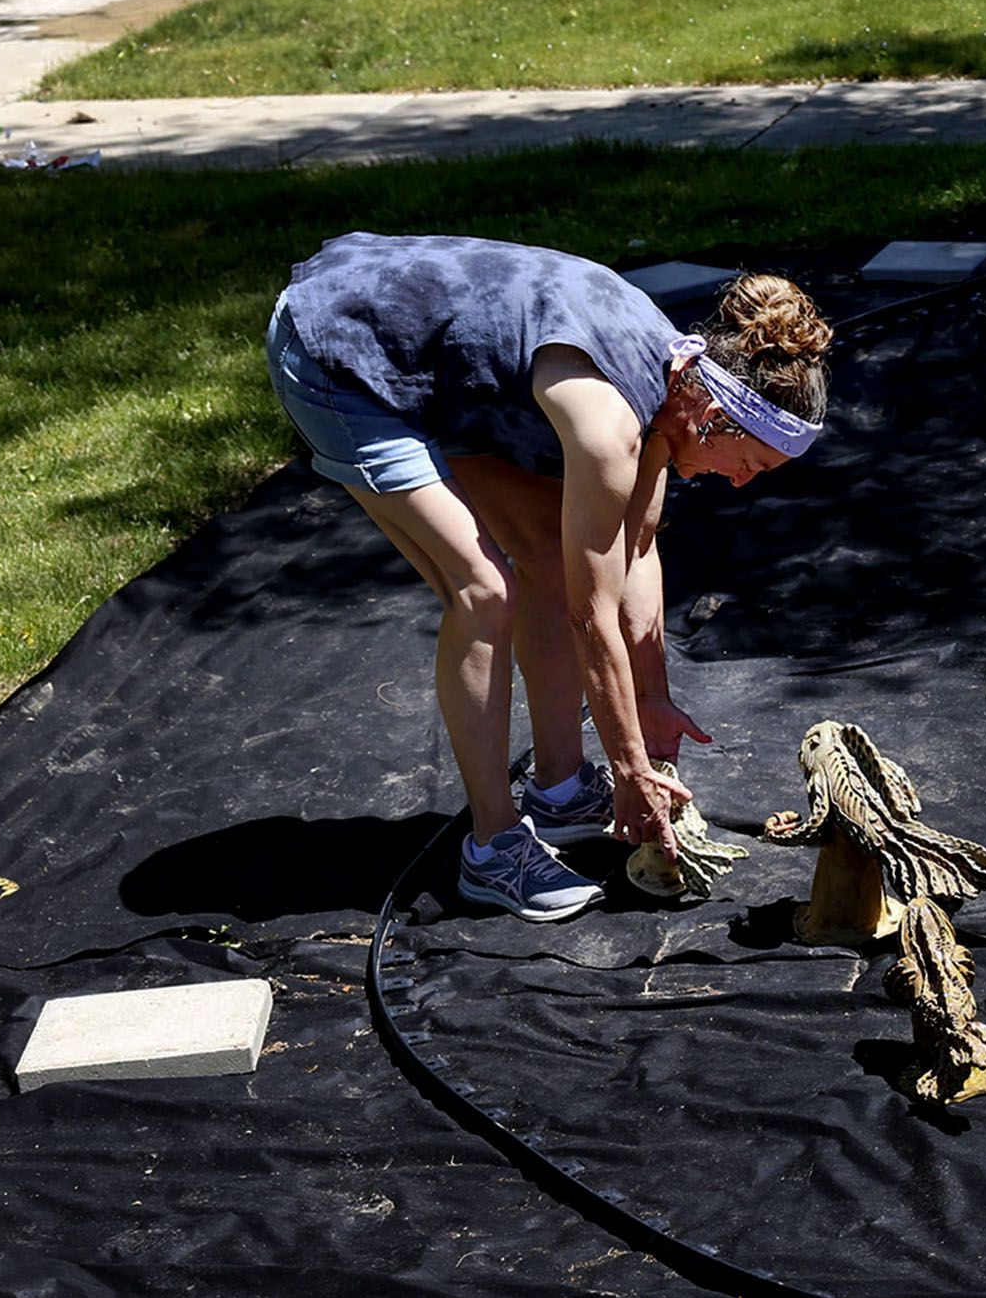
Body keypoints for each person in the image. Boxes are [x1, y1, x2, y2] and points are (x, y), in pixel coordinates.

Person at [265, 235, 832, 919]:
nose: (741, 484)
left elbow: (637, 545)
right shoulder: (610, 425)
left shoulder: (675, 385)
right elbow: (593, 616)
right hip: (338, 348)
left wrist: (651, 696)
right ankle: (493, 847)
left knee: (543, 555)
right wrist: (629, 768)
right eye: (754, 464)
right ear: (715, 418)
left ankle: (559, 789)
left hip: (436, 365)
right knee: (484, 591)